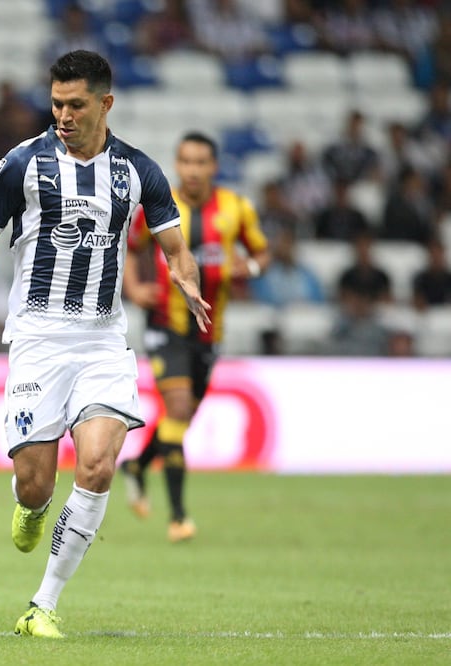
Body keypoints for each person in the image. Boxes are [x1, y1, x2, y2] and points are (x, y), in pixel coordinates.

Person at [0, 50, 210, 639]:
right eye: (57, 103)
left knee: (96, 465)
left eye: (76, 104)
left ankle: (43, 604)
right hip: (38, 339)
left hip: (102, 341)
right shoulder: (22, 164)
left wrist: (187, 283)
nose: (63, 114)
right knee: (36, 481)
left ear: (105, 104)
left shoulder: (138, 170)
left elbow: (174, 244)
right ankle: (32, 506)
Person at [118, 131, 270, 543]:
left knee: (178, 419)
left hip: (209, 332)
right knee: (179, 407)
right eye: (186, 161)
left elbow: (262, 253)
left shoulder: (236, 209)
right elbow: (131, 249)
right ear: (178, 164)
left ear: (214, 167)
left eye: (201, 162)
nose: (193, 170)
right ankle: (179, 517)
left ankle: (135, 466)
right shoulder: (160, 205)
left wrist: (249, 270)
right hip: (165, 324)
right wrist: (133, 289)